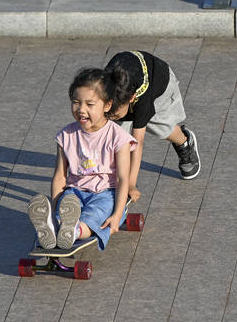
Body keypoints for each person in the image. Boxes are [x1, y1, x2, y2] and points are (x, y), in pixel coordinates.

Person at [28, 67, 137, 250]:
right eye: (76, 102)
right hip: (74, 193)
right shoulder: (66, 135)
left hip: (106, 193)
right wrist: (55, 206)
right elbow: (60, 177)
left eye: (90, 104)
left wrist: (118, 214)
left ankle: (74, 231)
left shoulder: (118, 137)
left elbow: (122, 178)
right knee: (65, 210)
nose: (81, 109)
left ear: (107, 105)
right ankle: (54, 225)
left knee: (95, 216)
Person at [104, 51, 200, 201]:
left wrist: (131, 185)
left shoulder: (142, 101)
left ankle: (185, 141)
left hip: (161, 84)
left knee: (160, 127)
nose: (110, 117)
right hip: (132, 81)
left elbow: (138, 144)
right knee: (117, 133)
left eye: (114, 114)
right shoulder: (105, 85)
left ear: (131, 99)